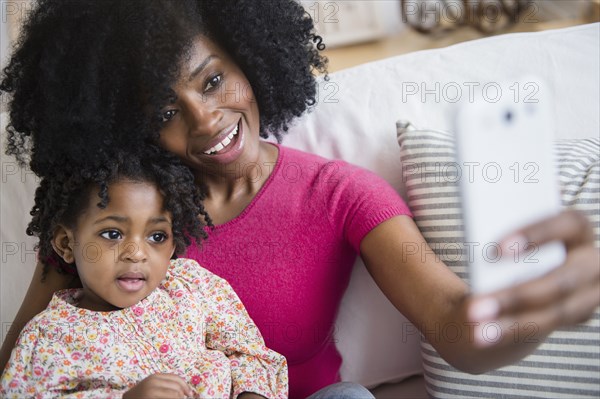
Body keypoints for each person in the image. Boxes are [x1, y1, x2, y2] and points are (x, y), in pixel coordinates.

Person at [0, 1, 598, 398]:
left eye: (212, 80)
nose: (205, 119)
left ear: (249, 57)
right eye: (164, 111)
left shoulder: (339, 193)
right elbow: (22, 372)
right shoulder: (110, 216)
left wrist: (530, 309)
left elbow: (452, 321)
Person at [0, 149, 288, 398]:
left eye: (157, 237)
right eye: (112, 234)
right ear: (66, 243)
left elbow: (249, 353)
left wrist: (253, 395)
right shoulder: (49, 336)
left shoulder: (193, 286)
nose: (136, 253)